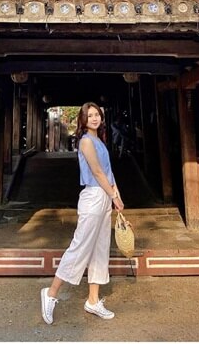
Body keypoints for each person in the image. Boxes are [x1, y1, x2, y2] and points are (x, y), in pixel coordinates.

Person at [40, 102, 124, 324]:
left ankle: (93, 300)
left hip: (105, 195)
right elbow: (96, 171)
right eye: (90, 115)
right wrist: (112, 194)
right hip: (93, 196)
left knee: (100, 248)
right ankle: (50, 294)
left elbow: (108, 171)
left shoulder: (99, 141)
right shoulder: (86, 141)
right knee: (80, 247)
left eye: (97, 114)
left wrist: (116, 195)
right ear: (83, 120)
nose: (95, 118)